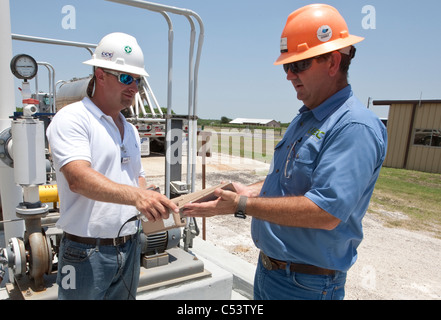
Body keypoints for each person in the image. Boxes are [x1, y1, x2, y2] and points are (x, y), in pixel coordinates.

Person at [183, 4, 387, 300]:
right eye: (286, 66)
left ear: (332, 62)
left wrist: (241, 205)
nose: (289, 75)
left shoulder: (354, 126)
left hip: (306, 286)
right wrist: (251, 191)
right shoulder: (306, 118)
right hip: (271, 272)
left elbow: (325, 211)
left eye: (299, 65)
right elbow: (290, 184)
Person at [47, 32, 179, 300]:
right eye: (126, 78)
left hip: (130, 246)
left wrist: (150, 197)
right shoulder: (72, 119)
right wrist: (137, 196)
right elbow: (78, 179)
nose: (134, 87)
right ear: (100, 74)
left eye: (138, 80)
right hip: (85, 253)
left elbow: (136, 177)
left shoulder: (129, 129)